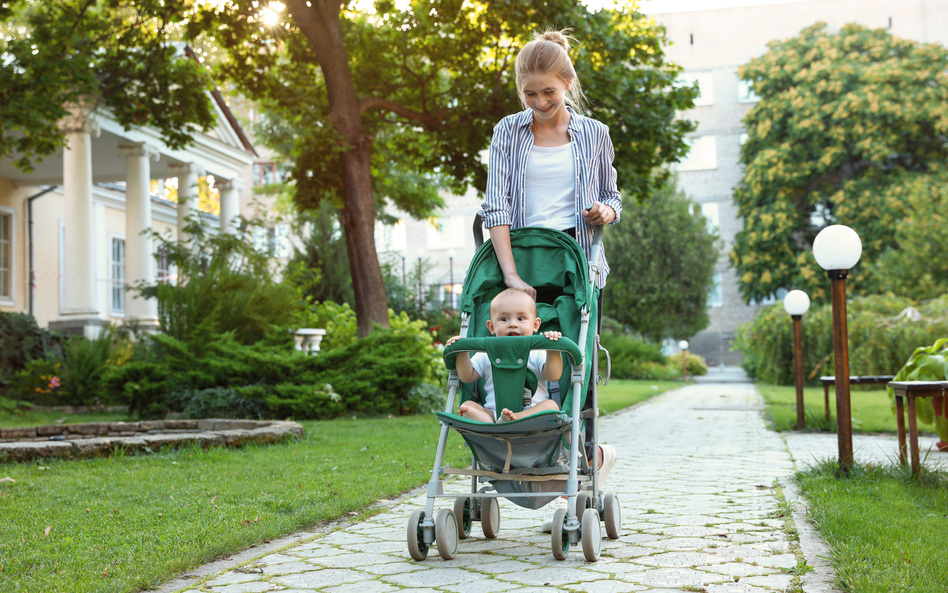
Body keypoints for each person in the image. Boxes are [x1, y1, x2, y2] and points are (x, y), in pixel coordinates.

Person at [480, 29, 620, 532]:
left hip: (577, 259)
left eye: (548, 92)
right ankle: (525, 461)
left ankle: (571, 469)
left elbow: (613, 196)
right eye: (529, 93)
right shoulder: (507, 132)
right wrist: (511, 273)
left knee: (571, 369)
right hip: (515, 255)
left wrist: (604, 209)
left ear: (567, 84)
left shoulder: (595, 134)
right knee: (510, 353)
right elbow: (494, 205)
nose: (539, 102)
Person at [445, 288, 563, 423]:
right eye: (504, 319)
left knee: (551, 406)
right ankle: (491, 423)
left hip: (532, 414)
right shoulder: (487, 351)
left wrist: (552, 349)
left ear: (535, 325)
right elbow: (467, 376)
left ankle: (514, 419)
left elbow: (553, 375)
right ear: (491, 327)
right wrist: (462, 351)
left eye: (520, 318)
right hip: (494, 413)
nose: (513, 324)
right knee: (467, 405)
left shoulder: (537, 351)